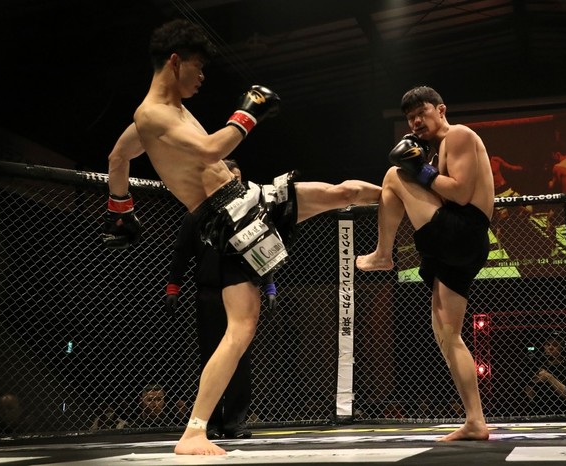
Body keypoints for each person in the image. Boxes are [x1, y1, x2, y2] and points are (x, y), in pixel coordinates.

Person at [101, 19, 381, 455]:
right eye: (198, 67)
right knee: (241, 327)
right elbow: (212, 150)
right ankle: (194, 432)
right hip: (225, 222)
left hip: (247, 199)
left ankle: (410, 197)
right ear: (175, 62)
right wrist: (248, 111)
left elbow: (117, 158)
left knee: (340, 193)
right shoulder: (152, 114)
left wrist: (121, 210)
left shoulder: (165, 115)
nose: (202, 76)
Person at [356, 86, 493, 441]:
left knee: (393, 176)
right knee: (448, 335)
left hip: (462, 231)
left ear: (441, 110)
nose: (416, 121)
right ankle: (475, 421)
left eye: (422, 112)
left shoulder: (459, 135)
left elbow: (460, 192)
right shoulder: (436, 149)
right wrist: (423, 168)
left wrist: (419, 169)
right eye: (410, 117)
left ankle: (383, 254)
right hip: (458, 244)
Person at [165, 159, 266, 440]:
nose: (236, 184)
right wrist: (173, 287)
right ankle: (208, 422)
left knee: (240, 357)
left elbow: (262, 249)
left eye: (239, 179)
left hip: (242, 290)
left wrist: (269, 286)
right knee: (210, 356)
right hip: (209, 293)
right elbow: (181, 251)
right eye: (231, 179)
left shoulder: (249, 214)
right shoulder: (198, 214)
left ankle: (234, 422)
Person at [524, 334, 566, 413]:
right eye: (548, 344)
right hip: (540, 411)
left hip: (563, 411)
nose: (550, 347)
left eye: (555, 345)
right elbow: (529, 393)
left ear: (562, 348)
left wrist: (549, 377)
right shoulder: (538, 366)